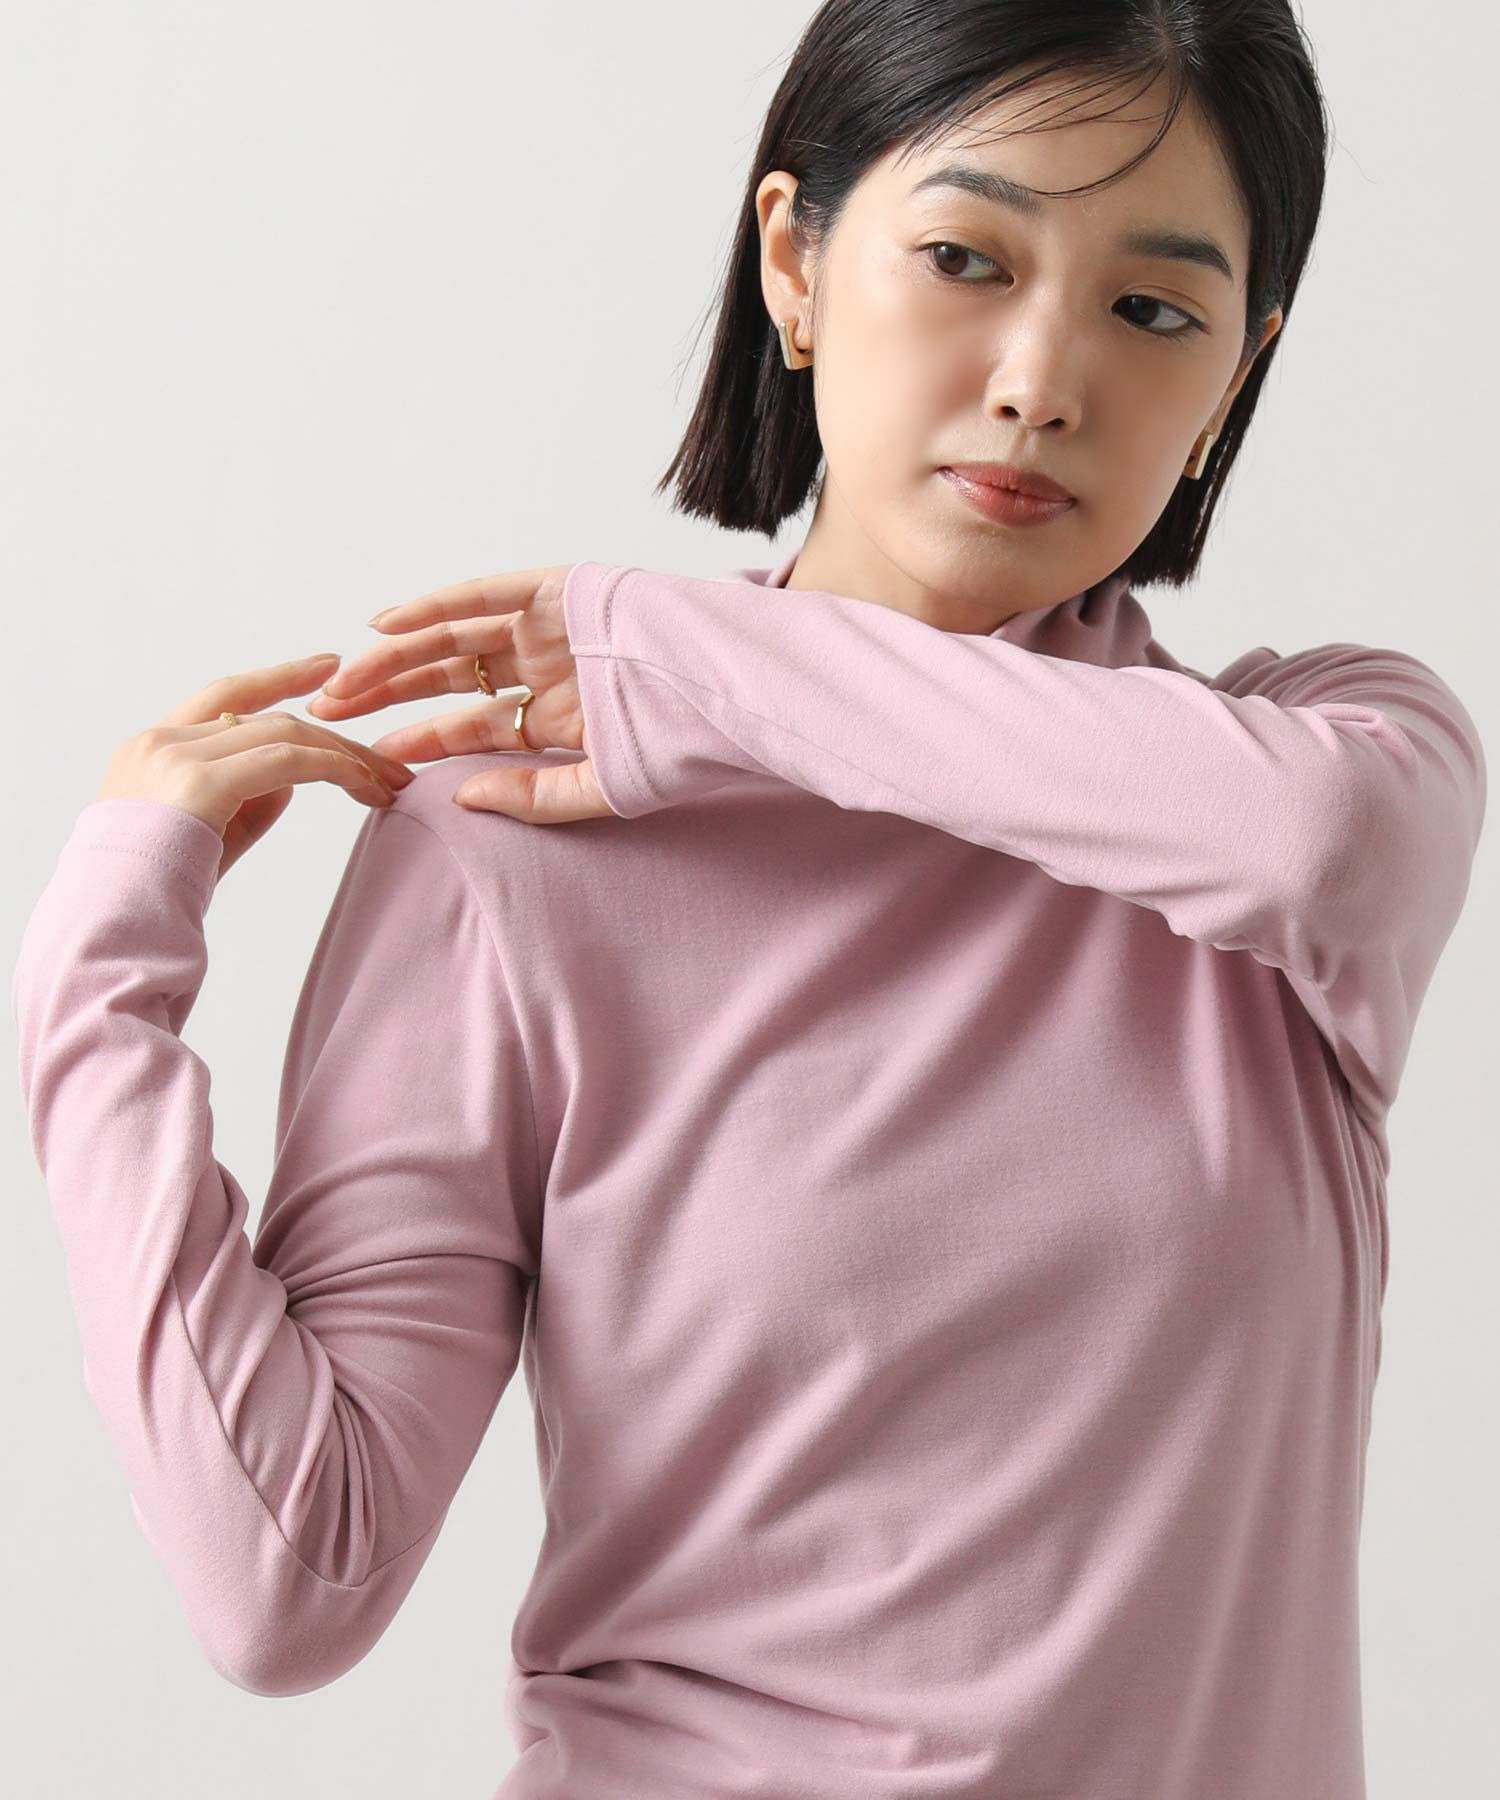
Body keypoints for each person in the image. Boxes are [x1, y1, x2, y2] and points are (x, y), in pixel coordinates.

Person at [12, 4, 1487, 1796]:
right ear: (793, 262)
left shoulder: (1326, 770)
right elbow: (287, 1580)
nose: (1042, 378)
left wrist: (683, 652)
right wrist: (94, 990)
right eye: (966, 259)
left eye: (1152, 311)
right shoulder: (517, 846)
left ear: (1234, 379)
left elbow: (1307, 843)